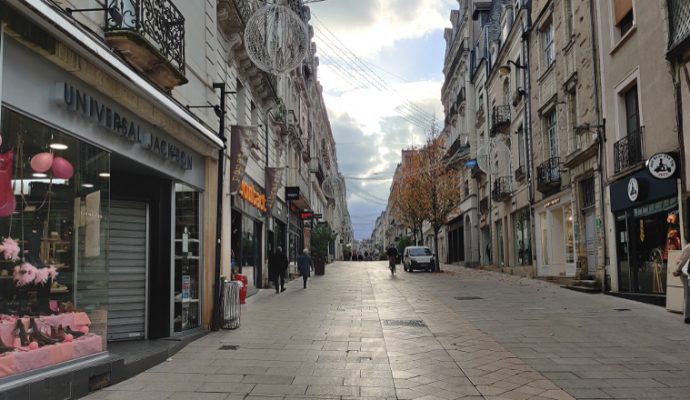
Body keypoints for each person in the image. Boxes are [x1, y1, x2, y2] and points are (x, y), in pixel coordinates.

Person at [672, 242, 690, 323]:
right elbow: (683, 260)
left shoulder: (688, 247)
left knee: (687, 294)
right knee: (687, 294)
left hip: (686, 272)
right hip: (686, 273)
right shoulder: (688, 247)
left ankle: (687, 316)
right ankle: (687, 316)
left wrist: (677, 270)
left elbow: (683, 260)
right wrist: (678, 270)